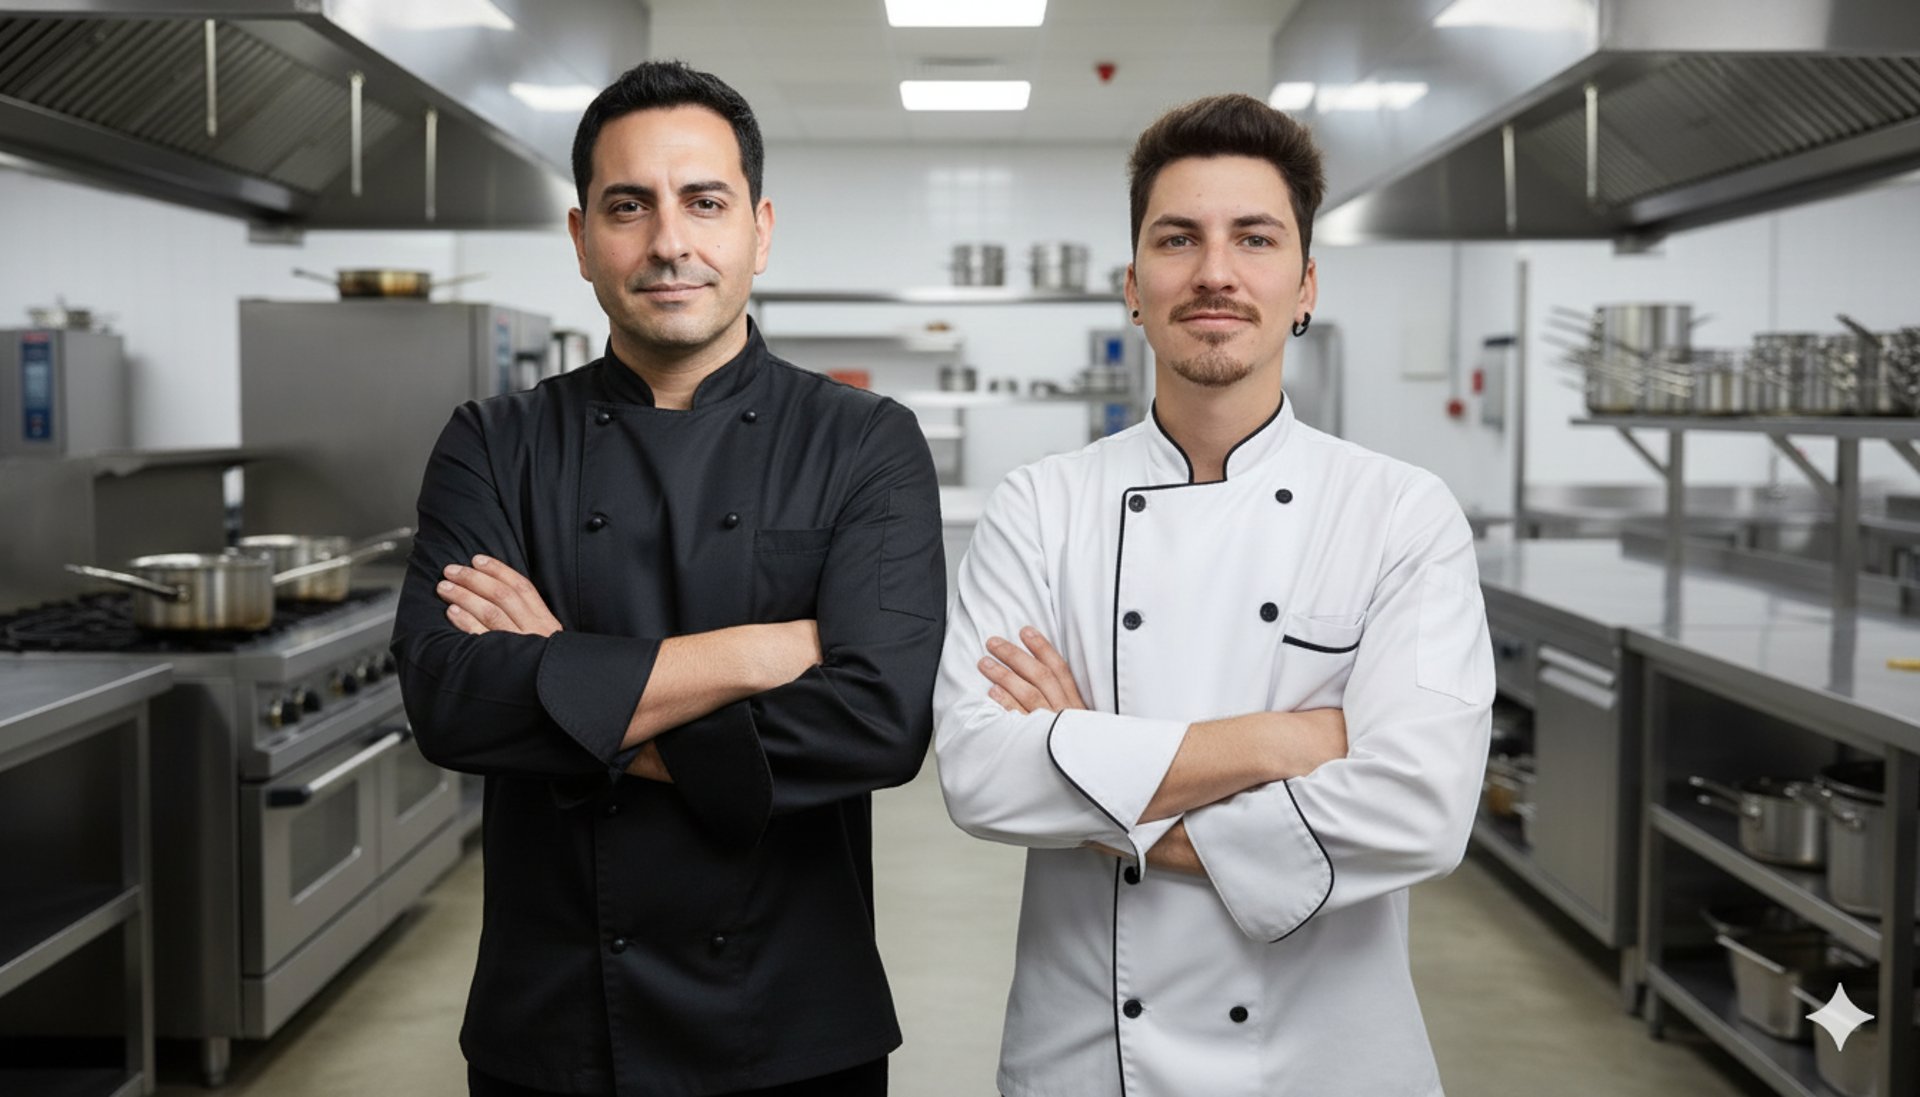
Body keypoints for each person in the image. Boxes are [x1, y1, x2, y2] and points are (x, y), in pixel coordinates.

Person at [390, 60, 945, 1097]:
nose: (669, 242)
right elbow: (450, 701)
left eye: (705, 202)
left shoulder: (865, 441)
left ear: (759, 230)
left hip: (793, 1021)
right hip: (554, 1022)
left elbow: (878, 719)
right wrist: (759, 650)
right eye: (628, 206)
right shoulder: (492, 442)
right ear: (582, 237)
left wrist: (560, 679)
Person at [933, 93, 1494, 1097]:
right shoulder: (1040, 505)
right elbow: (979, 771)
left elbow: (1419, 809)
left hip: (1324, 1062)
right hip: (1088, 1059)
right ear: (1133, 286)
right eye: (1177, 238)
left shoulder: (1400, 513)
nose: (1215, 272)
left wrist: (1091, 766)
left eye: (1256, 238)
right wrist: (1283, 741)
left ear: (1305, 283)